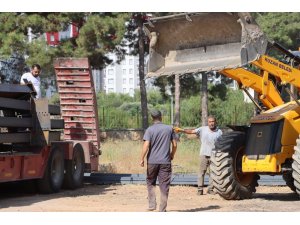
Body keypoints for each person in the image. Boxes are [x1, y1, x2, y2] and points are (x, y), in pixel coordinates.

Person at [174, 115, 222, 195]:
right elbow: (191, 131)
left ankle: (210, 189)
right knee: (201, 172)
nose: (211, 123)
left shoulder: (219, 132)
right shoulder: (203, 129)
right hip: (204, 154)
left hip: (214, 155)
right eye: (210, 122)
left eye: (213, 121)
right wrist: (181, 130)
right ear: (208, 122)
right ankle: (200, 189)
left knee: (213, 173)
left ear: (215, 122)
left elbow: (222, 143)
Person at [140, 109, 177, 212]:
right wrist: (172, 155)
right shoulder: (169, 129)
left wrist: (141, 159)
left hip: (152, 162)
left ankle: (152, 205)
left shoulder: (149, 130)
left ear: (152, 118)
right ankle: (162, 209)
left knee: (150, 182)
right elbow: (174, 145)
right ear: (161, 117)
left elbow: (146, 145)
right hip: (165, 161)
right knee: (164, 185)